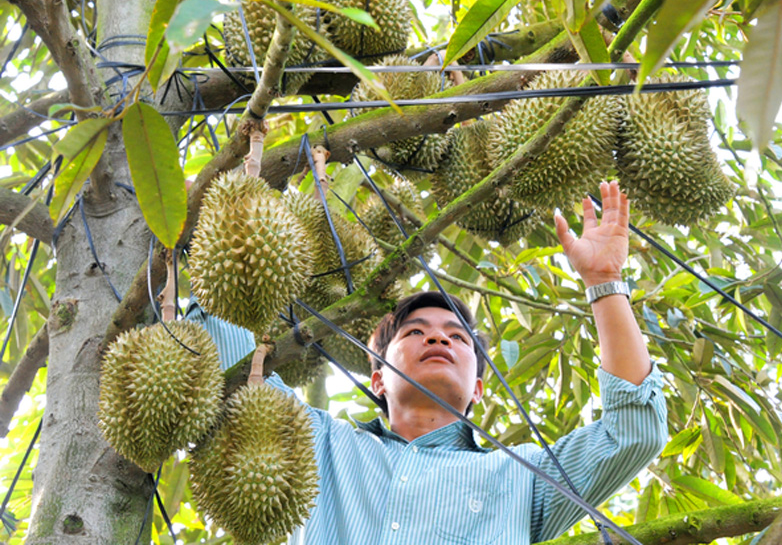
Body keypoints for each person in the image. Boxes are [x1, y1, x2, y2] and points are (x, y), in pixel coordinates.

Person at [187, 181, 668, 545]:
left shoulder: (521, 478)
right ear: (377, 377)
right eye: (414, 332)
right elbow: (219, 332)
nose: (437, 335)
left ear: (479, 388)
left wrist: (604, 282)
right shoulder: (316, 441)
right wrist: (196, 224)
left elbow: (633, 431)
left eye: (457, 337)